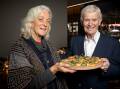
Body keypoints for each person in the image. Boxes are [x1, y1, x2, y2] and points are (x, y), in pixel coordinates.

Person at [8, 5, 76, 89]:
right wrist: (54, 69)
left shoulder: (49, 44)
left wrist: (72, 62)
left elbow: (59, 66)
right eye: (40, 19)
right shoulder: (18, 48)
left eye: (48, 21)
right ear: (31, 22)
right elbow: (23, 86)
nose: (45, 24)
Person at [67, 5, 120, 89]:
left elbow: (118, 70)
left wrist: (107, 67)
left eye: (94, 20)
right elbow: (69, 62)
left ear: (99, 21)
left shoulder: (113, 43)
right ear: (82, 22)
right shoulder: (74, 41)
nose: (90, 24)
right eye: (87, 20)